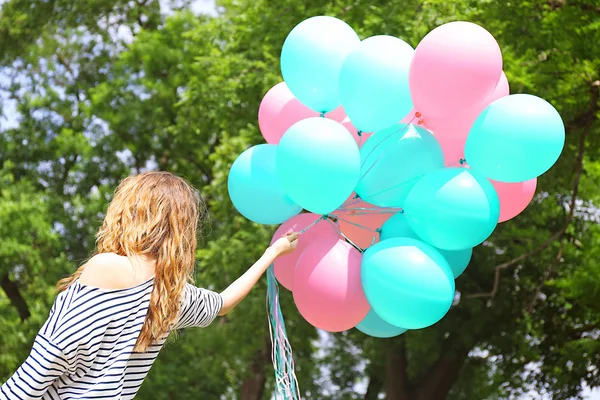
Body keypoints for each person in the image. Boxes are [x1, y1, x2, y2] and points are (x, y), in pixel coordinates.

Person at [0, 171, 299, 400]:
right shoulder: (170, 294)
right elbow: (223, 304)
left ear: (133, 212)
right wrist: (271, 253)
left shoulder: (107, 268)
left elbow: (50, 358)